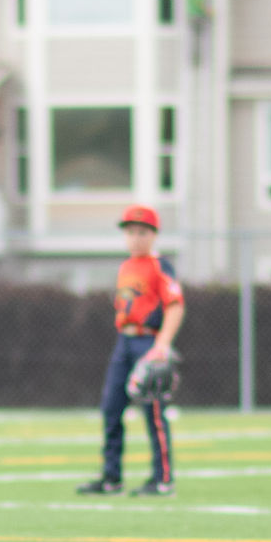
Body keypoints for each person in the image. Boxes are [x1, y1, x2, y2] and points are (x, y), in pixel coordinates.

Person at [77, 205, 184, 498]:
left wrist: (162, 345)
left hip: (148, 342)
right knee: (111, 408)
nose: (135, 238)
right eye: (131, 232)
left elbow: (175, 306)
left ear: (153, 235)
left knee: (153, 413)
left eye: (142, 233)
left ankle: (163, 480)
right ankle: (111, 478)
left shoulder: (160, 266)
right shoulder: (126, 267)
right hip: (124, 341)